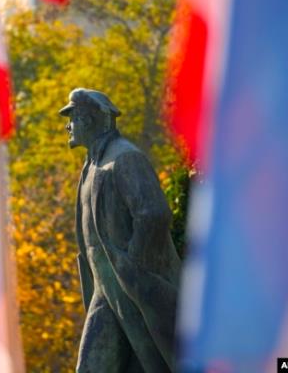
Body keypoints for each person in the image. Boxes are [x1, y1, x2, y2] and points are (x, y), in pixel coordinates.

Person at [60, 88, 181, 373]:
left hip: (132, 288)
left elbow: (153, 213)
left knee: (157, 361)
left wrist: (134, 266)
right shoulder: (92, 165)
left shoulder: (124, 158)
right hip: (106, 289)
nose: (68, 126)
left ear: (88, 119)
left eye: (73, 118)